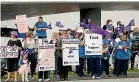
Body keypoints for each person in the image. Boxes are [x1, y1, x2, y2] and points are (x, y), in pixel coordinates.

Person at [34, 16, 49, 82]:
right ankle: (40, 77)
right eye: (38, 19)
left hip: (44, 36)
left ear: (42, 19)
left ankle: (46, 77)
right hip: (39, 36)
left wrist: (41, 29)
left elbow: (46, 28)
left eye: (40, 19)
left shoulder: (45, 23)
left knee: (45, 64)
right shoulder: (37, 23)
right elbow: (34, 27)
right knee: (40, 64)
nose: (39, 20)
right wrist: (37, 28)